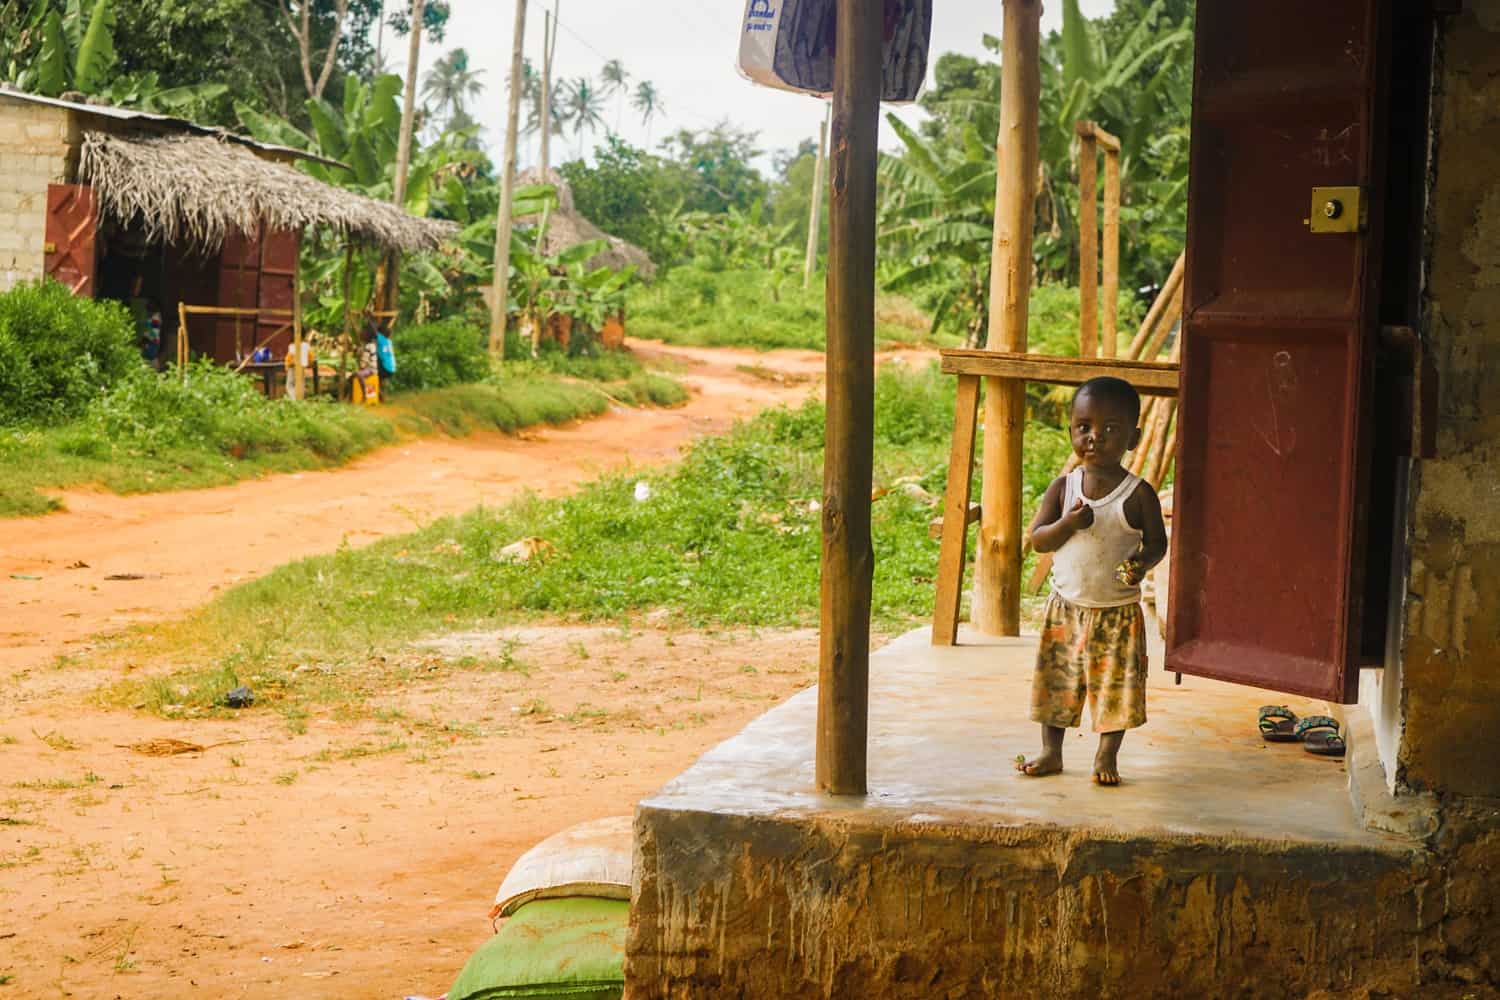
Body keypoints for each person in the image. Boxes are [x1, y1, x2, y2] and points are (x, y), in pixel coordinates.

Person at [1016, 376, 1168, 786]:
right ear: (1071, 431)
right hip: (1066, 609)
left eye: (1110, 429)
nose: (1095, 438)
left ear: (1133, 438)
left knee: (1114, 689)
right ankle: (1051, 751)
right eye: (1084, 427)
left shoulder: (1139, 495)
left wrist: (1140, 563)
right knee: (1057, 683)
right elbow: (1037, 540)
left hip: (1117, 615)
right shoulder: (1063, 488)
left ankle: (1106, 756)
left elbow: (1157, 544)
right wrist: (1067, 523)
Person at [374, 324, 397, 396]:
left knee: (372, 372)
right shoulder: (389, 341)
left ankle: (378, 392)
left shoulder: (381, 339)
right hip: (392, 368)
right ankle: (380, 392)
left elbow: (373, 330)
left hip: (386, 368)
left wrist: (369, 318)